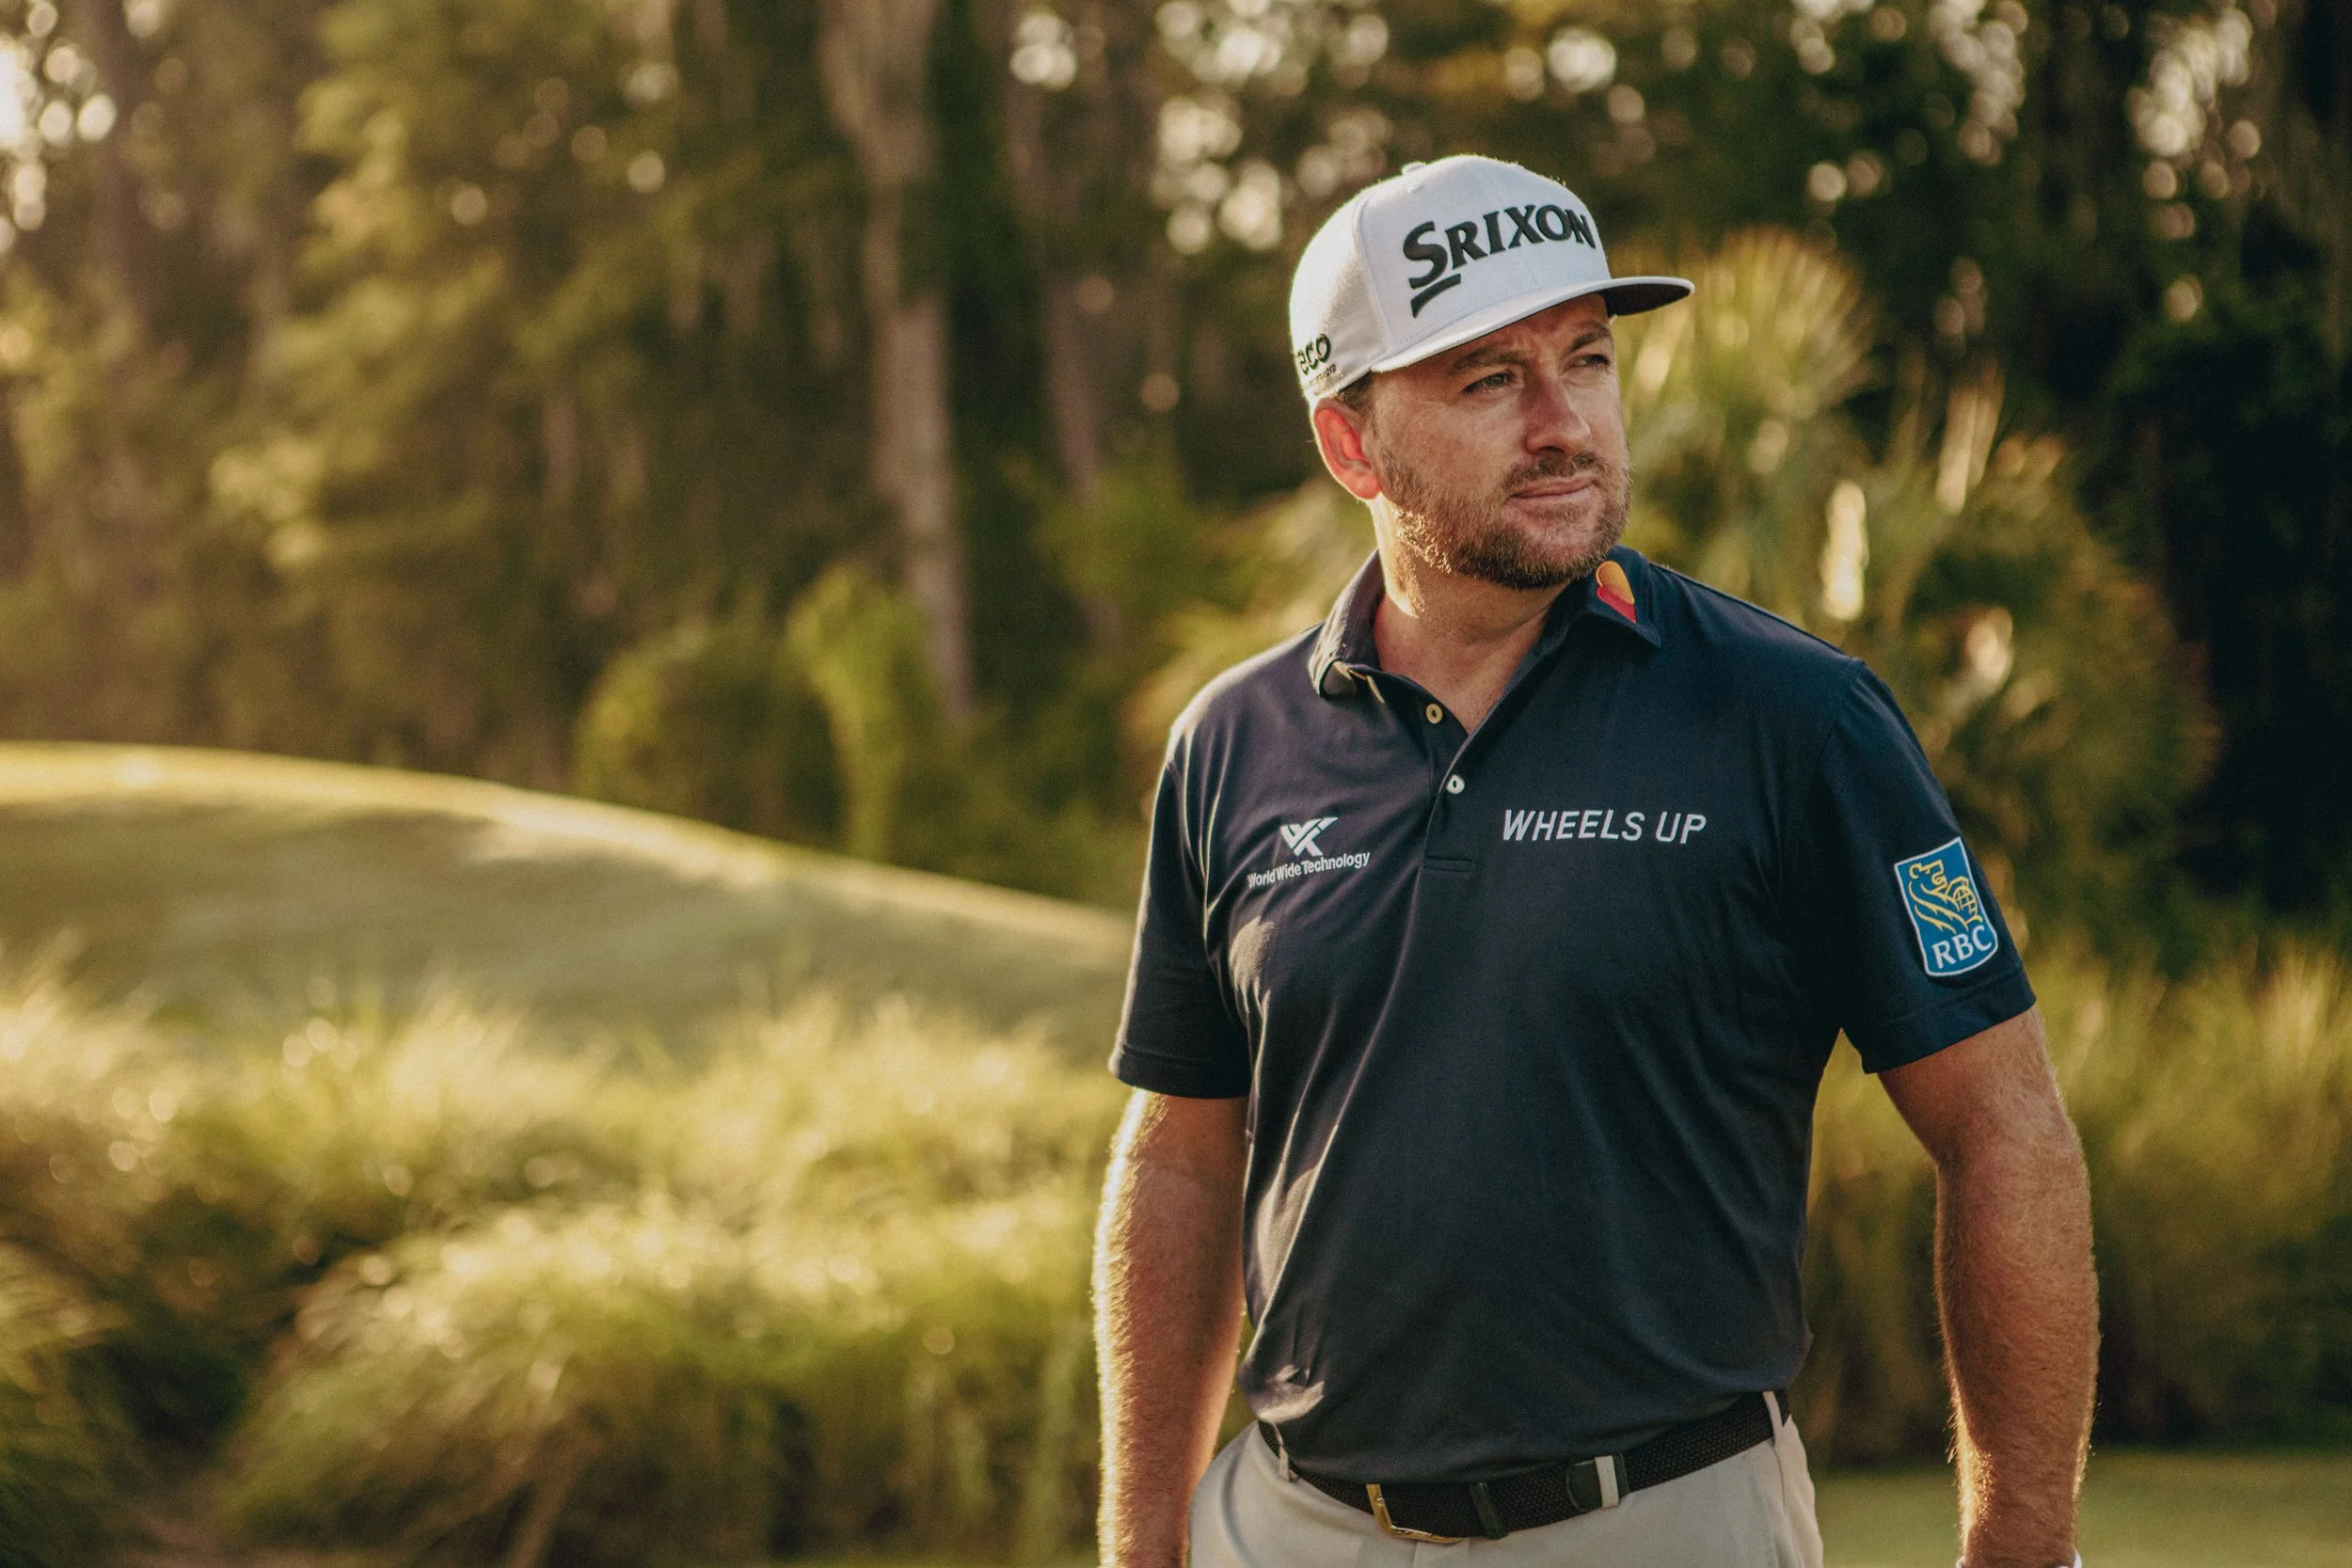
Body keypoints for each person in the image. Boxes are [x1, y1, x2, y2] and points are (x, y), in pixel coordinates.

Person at [1091, 154, 2097, 1568]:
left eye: (1588, 358)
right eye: (1490, 380)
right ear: (1351, 446)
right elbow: (1182, 1158)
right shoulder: (1233, 743)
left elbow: (2005, 1124)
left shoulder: (1796, 718)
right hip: (1296, 1524)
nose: (1566, 424)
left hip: (1669, 1520)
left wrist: (2021, 1544)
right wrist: (1140, 1541)